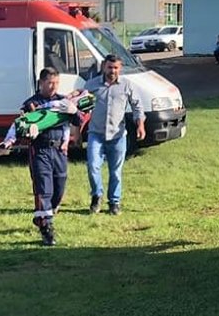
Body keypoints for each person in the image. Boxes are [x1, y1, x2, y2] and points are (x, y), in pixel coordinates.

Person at [84, 54, 145, 215]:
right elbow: (81, 107)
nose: (112, 71)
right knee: (92, 166)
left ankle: (114, 202)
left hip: (117, 135)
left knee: (115, 171)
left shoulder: (127, 85)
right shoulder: (92, 85)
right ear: (104, 66)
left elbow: (138, 106)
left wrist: (140, 126)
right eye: (110, 67)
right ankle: (96, 196)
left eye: (116, 68)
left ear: (120, 68)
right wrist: (76, 129)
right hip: (96, 134)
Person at [21, 67, 72, 246]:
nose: (53, 86)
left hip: (59, 151)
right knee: (44, 190)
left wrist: (74, 112)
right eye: (50, 83)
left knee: (59, 188)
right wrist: (29, 130)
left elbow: (79, 120)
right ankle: (47, 230)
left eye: (56, 83)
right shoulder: (31, 103)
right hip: (40, 150)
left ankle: (44, 216)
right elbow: (21, 128)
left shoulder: (63, 101)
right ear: (41, 83)